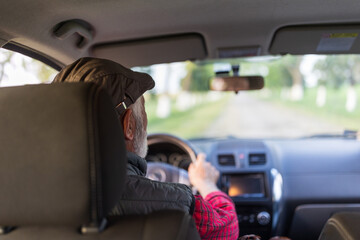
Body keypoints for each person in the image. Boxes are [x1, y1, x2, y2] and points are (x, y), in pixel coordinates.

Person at [53, 57, 239, 240]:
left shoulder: (29, 197)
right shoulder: (175, 204)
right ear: (129, 126)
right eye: (143, 111)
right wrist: (206, 183)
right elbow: (227, 227)